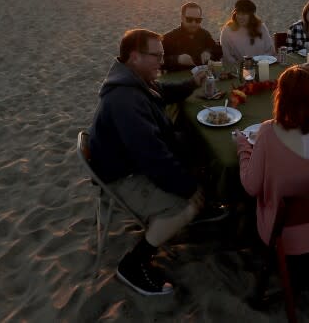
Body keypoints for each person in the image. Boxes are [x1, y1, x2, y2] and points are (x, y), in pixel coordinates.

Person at [87, 29, 225, 296]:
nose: (161, 61)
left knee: (198, 149)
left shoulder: (134, 80)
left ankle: (202, 204)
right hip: (123, 177)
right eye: (156, 56)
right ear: (135, 56)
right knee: (185, 206)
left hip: (132, 163)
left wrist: (190, 84)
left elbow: (161, 92)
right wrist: (189, 189)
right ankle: (134, 264)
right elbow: (153, 159)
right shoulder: (124, 99)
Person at [234, 65, 309, 255]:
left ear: (279, 98)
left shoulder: (268, 132)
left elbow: (251, 187)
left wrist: (243, 147)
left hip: (285, 238)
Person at [161, 2, 222, 71]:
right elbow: (157, 61)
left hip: (203, 77)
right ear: (182, 18)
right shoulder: (169, 38)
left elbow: (217, 50)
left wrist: (208, 53)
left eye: (198, 20)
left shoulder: (204, 34)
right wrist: (177, 59)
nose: (194, 23)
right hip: (178, 79)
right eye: (189, 19)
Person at [219, 0, 275, 66]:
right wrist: (241, 66)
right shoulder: (227, 31)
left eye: (244, 14)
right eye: (238, 13)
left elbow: (270, 50)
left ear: (251, 16)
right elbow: (227, 57)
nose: (240, 17)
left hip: (263, 66)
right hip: (240, 70)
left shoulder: (261, 27)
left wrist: (260, 63)